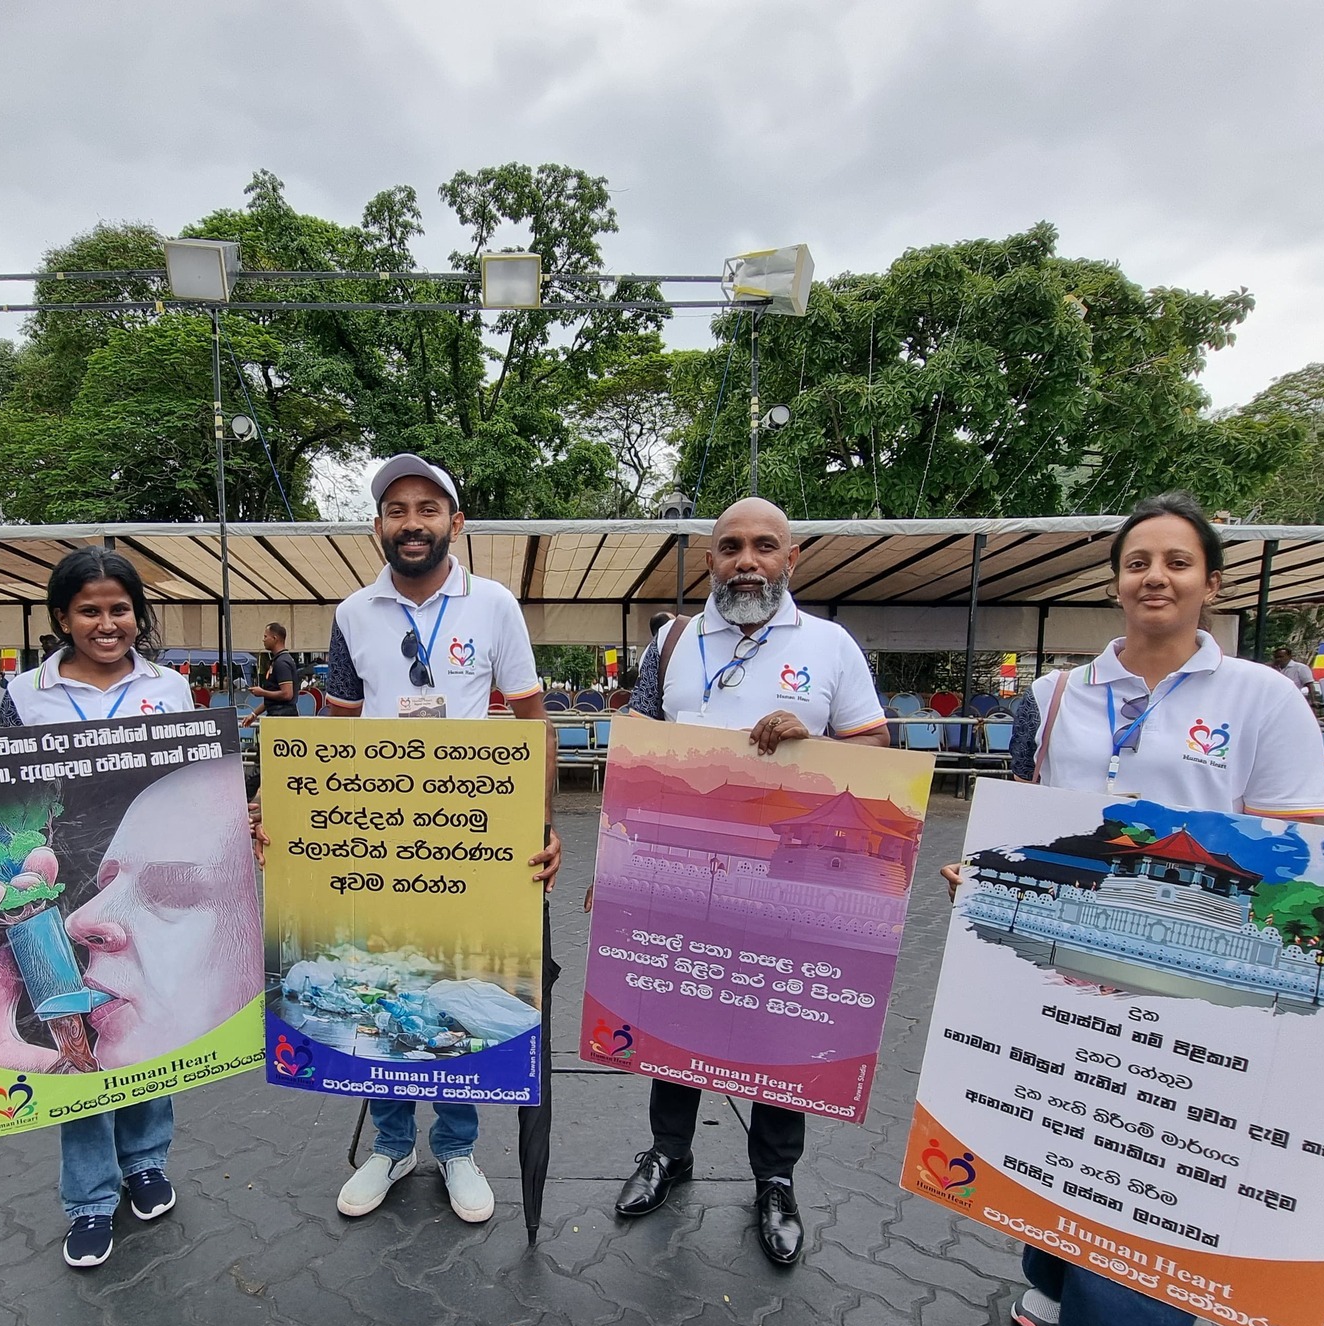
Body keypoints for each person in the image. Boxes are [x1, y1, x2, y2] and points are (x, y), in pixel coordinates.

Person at [941, 492, 1324, 1326]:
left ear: (1210, 583)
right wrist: (982, 873)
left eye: (1176, 562)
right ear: (1115, 580)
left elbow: (1309, 856)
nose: (1155, 576)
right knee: (1061, 1120)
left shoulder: (1260, 698)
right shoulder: (1056, 696)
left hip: (1193, 967)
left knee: (1158, 1163)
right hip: (1074, 947)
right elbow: (1027, 820)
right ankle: (1049, 1278)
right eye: (1137, 560)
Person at [255, 452, 561, 1225]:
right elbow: (337, 730)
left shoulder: (494, 605)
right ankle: (391, 1146)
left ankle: (456, 1148)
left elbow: (532, 724)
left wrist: (544, 825)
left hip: (470, 840)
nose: (412, 523)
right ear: (378, 527)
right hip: (377, 841)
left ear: (456, 523)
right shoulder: (353, 614)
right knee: (384, 983)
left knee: (445, 987)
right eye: (397, 510)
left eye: (428, 509)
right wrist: (286, 807)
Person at [606, 498, 891, 1267]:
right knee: (677, 1006)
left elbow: (877, 749)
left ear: (791, 559)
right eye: (730, 547)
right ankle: (670, 1152)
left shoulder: (830, 645)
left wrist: (816, 743)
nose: (747, 561)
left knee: (777, 1021)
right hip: (683, 872)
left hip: (783, 881)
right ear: (710, 562)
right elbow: (639, 749)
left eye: (765, 546)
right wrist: (618, 866)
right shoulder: (670, 643)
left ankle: (775, 1178)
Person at [0, 548, 205, 1271]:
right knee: (73, 1043)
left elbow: (189, 788)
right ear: (61, 617)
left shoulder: (170, 688)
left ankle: (146, 1161)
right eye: (89, 610)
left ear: (137, 615)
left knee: (141, 1031)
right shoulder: (26, 694)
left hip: (133, 882)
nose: (107, 624)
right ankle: (88, 1197)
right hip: (51, 886)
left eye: (120, 609)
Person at [243, 622, 299, 725]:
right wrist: (254, 714)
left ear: (274, 638)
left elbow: (287, 694)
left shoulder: (282, 662)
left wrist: (262, 692)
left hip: (283, 717)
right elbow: (272, 698)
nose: (263, 640)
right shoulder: (277, 661)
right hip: (276, 714)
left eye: (265, 636)